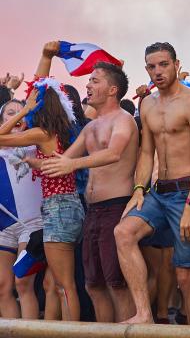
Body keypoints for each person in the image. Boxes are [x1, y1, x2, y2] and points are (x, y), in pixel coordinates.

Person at [114, 42, 190, 325]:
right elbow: (146, 152)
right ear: (146, 69)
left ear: (176, 64)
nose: (158, 71)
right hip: (159, 192)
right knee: (124, 233)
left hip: (188, 193)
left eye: (164, 64)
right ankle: (144, 313)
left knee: (186, 277)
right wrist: (138, 190)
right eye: (152, 66)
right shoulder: (147, 104)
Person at [41, 61, 138, 323]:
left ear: (112, 89)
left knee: (116, 283)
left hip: (116, 206)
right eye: (89, 81)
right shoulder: (90, 127)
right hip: (92, 211)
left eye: (95, 80)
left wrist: (71, 164)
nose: (88, 85)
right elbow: (60, 160)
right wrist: (31, 159)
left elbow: (113, 153)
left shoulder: (124, 120)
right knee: (93, 285)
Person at [0, 80, 84, 322]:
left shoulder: (41, 133)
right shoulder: (60, 131)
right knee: (59, 284)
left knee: (64, 285)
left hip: (58, 208)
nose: (27, 104)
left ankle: (71, 334)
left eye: (31, 102)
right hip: (66, 205)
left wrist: (24, 112)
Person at [0, 99, 42, 319]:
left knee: (23, 282)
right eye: (10, 113)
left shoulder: (33, 144)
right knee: (2, 287)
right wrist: (23, 110)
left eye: (21, 112)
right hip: (4, 227)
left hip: (31, 224)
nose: (17, 116)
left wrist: (27, 112)